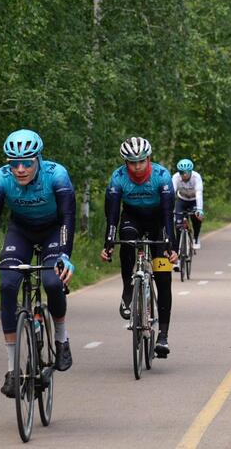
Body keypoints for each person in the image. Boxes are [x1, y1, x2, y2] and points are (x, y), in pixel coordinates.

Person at [0, 129, 76, 398]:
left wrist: (65, 254)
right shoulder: (0, 178)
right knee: (7, 284)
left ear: (38, 159)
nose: (20, 169)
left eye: (27, 162)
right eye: (13, 163)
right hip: (21, 232)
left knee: (53, 282)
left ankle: (61, 339)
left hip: (54, 230)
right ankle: (12, 370)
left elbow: (67, 217)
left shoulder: (56, 174)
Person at [100, 137, 179, 358]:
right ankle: (128, 290)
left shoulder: (161, 177)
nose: (137, 166)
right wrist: (108, 243)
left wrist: (171, 246)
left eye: (141, 161)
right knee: (126, 240)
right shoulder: (118, 178)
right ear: (125, 162)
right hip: (131, 218)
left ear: (148, 159)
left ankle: (162, 336)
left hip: (158, 221)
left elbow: (168, 214)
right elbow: (113, 214)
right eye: (132, 162)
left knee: (163, 277)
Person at [172, 158, 205, 250]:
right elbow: (171, 194)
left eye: (187, 172)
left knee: (196, 218)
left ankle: (196, 238)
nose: (185, 174)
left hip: (194, 200)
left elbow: (199, 194)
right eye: (182, 172)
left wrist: (199, 209)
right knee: (178, 225)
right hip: (182, 200)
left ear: (191, 171)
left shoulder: (196, 177)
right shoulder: (175, 178)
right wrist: (169, 209)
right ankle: (178, 248)